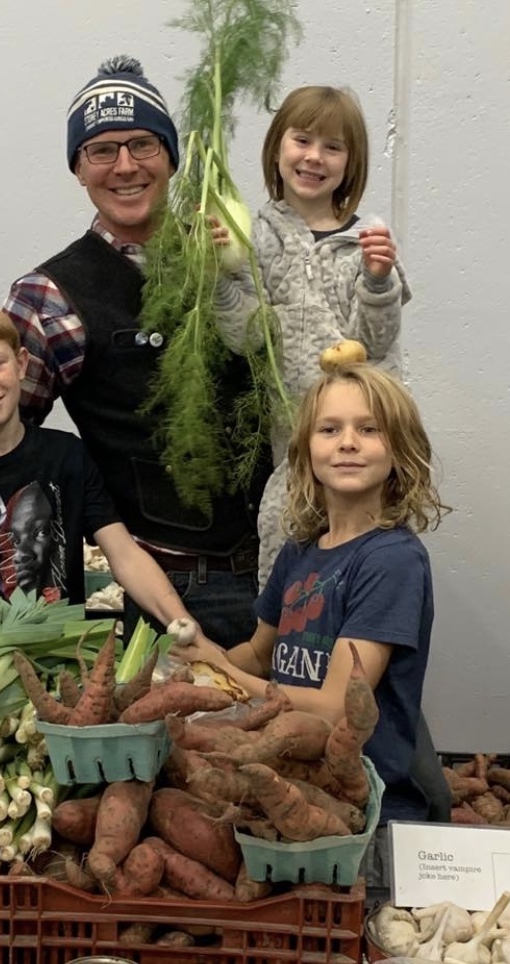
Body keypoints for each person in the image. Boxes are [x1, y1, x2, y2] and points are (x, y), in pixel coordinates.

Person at [0, 56, 269, 647]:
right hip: (168, 586)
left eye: (143, 144)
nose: (126, 166)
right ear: (78, 168)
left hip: (287, 568)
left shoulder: (236, 260)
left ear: (172, 157)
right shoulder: (48, 296)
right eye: (102, 150)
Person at [171, 363, 450, 886]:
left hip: (361, 809)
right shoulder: (301, 552)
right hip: (294, 786)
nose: (348, 442)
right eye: (330, 429)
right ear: (306, 452)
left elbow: (338, 703)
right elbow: (258, 652)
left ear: (399, 450)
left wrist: (233, 681)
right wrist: (194, 673)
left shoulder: (392, 560)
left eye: (369, 429)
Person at [0, 297, 207, 635]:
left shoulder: (66, 455)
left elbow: (124, 554)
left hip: (65, 663)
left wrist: (180, 620)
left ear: (21, 363)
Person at [211, 85, 412, 585]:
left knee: (368, 562)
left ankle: (364, 650)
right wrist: (215, 272)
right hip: (295, 448)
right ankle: (283, 653)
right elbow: (245, 336)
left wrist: (379, 279)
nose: (314, 157)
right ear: (278, 146)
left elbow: (376, 341)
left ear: (352, 163)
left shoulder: (367, 240)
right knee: (288, 555)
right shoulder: (253, 236)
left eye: (333, 147)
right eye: (302, 140)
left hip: (364, 449)